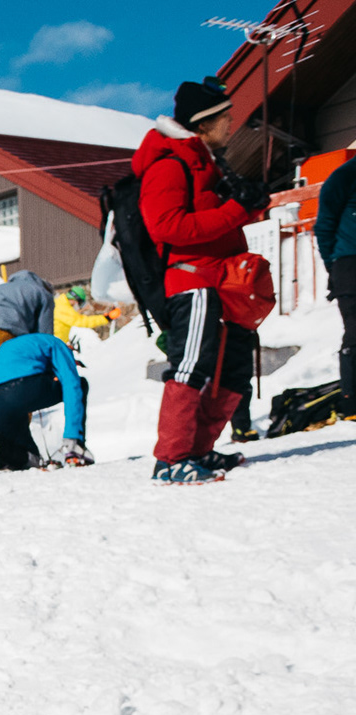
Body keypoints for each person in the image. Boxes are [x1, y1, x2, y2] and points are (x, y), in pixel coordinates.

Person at [135, 76, 270, 484]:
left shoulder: (205, 163)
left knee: (232, 370)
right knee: (191, 367)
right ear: (202, 123)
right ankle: (170, 459)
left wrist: (248, 206)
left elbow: (216, 221)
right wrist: (234, 211)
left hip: (221, 283)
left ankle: (198, 449)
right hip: (191, 283)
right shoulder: (169, 164)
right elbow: (166, 226)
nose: (231, 124)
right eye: (225, 118)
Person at [0, 333, 93, 469]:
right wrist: (72, 436)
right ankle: (76, 449)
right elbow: (72, 385)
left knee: (26, 458)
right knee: (81, 384)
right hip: (19, 388)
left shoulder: (18, 345)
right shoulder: (58, 345)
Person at [317, 146, 356, 420]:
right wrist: (334, 267)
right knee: (355, 333)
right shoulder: (343, 176)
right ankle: (352, 404)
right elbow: (324, 226)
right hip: (349, 263)